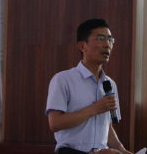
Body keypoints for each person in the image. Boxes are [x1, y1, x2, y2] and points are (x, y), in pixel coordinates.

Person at [46, 19, 133, 154]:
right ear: (82, 46)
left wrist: (121, 149)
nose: (107, 45)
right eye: (101, 39)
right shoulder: (63, 79)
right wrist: (95, 109)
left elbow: (106, 127)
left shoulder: (110, 84)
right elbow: (55, 123)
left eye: (110, 40)